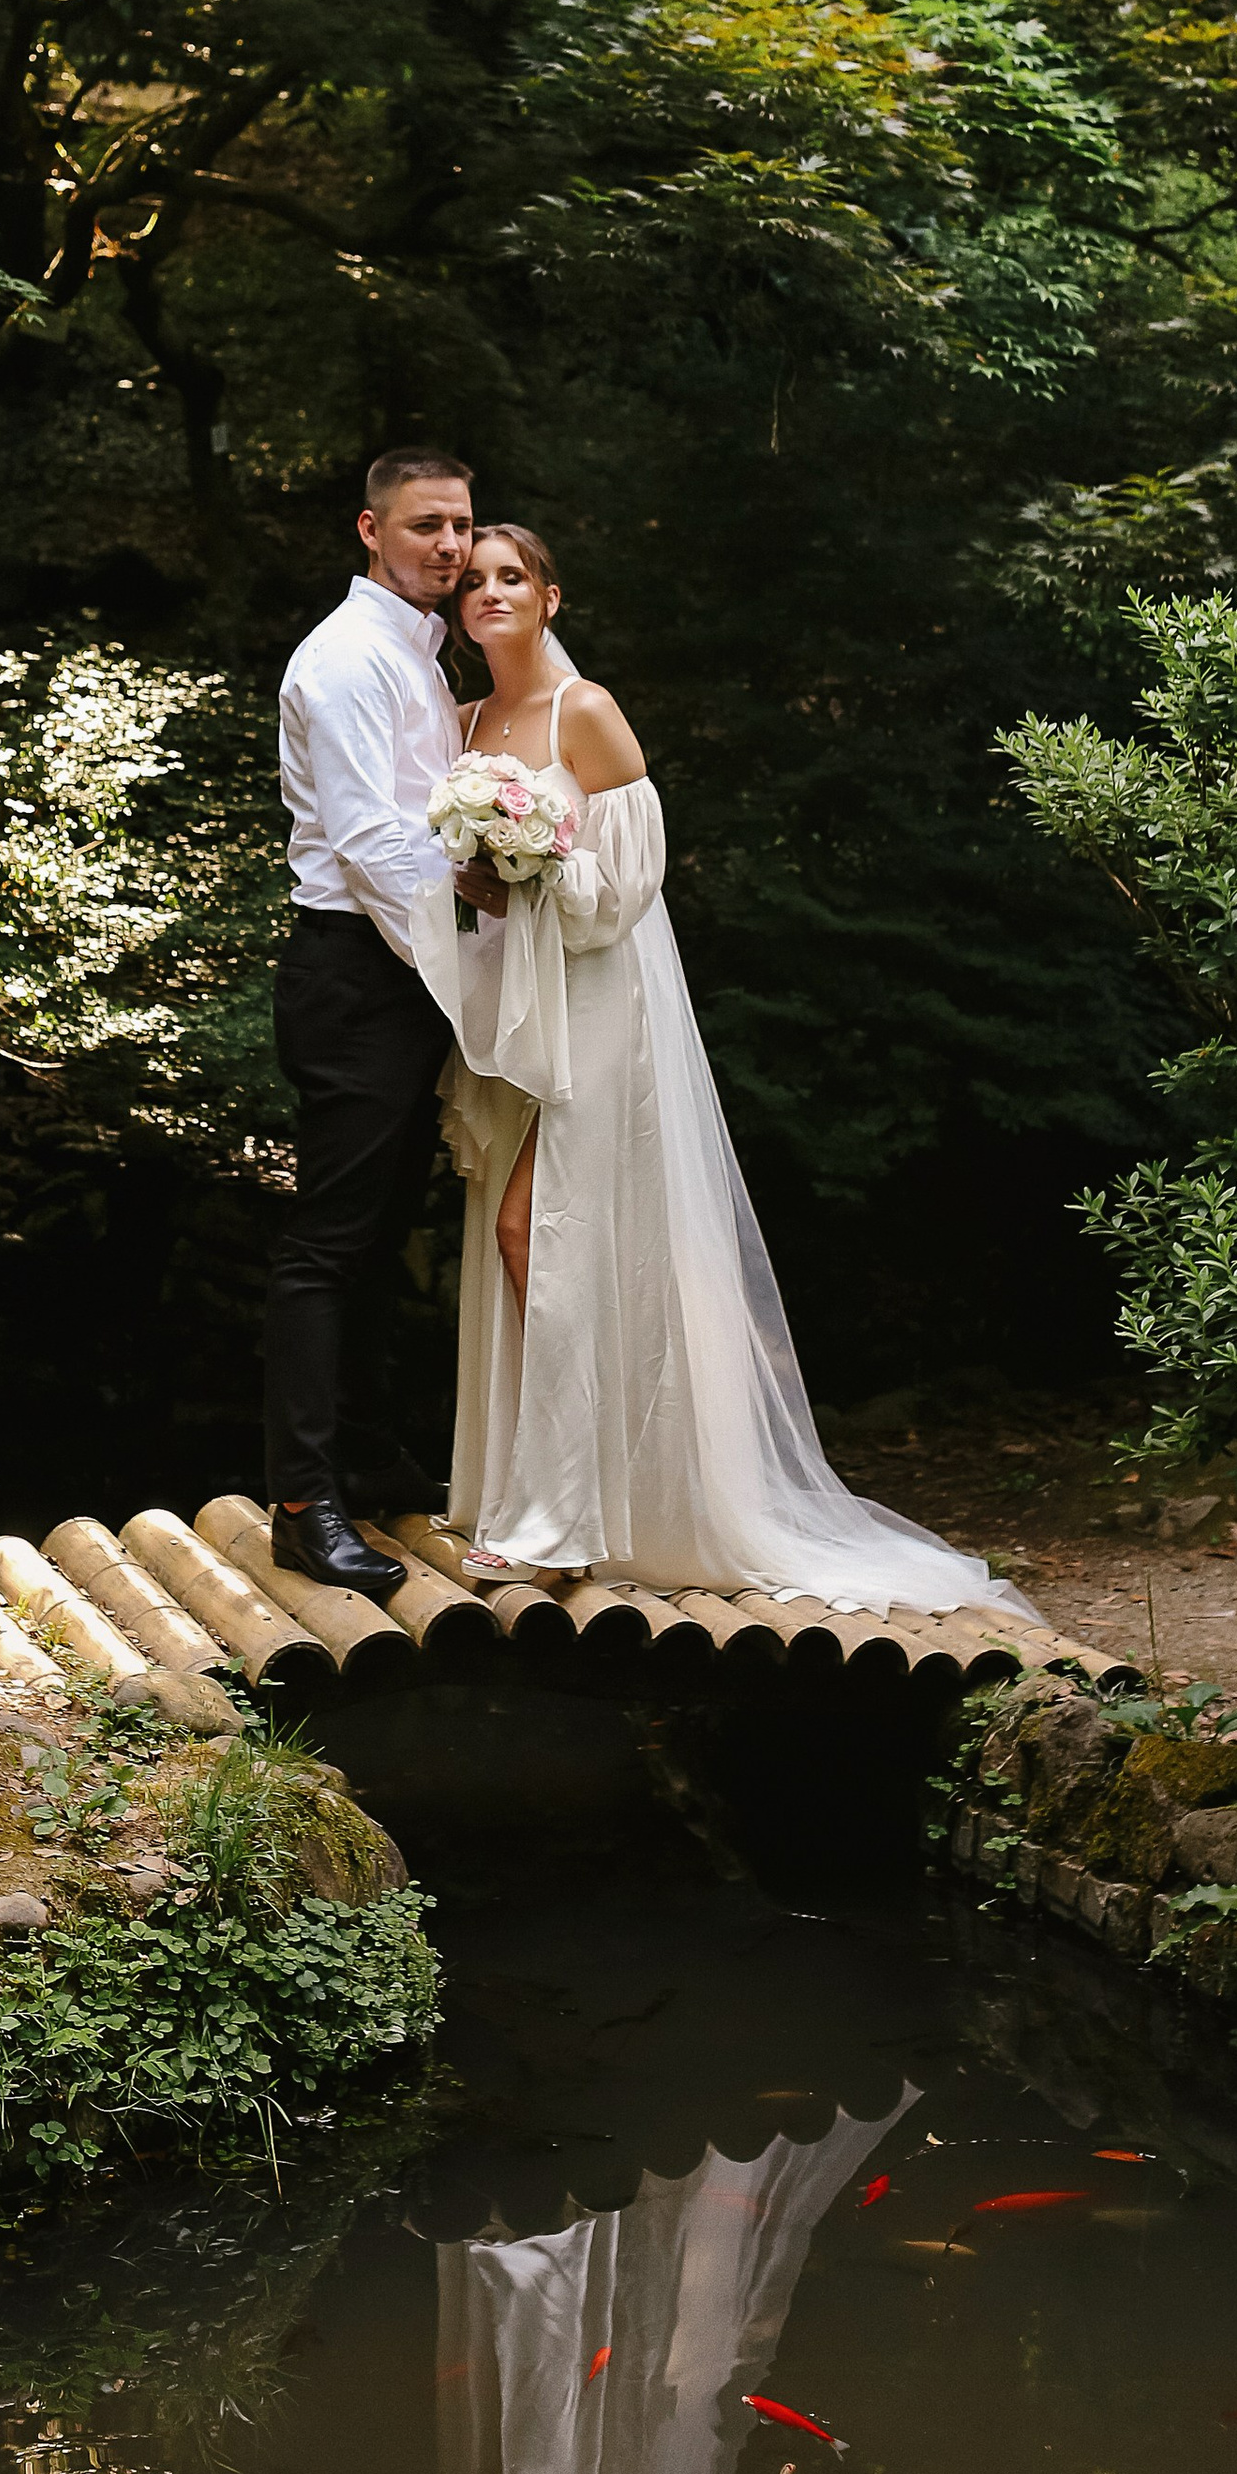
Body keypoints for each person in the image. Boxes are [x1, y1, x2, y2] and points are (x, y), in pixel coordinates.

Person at [411, 522, 1030, 1616]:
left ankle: (563, 1524)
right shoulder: (464, 722)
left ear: (551, 597)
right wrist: (483, 884)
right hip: (518, 1011)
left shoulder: (583, 711)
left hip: (599, 1006)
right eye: (475, 582)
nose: (490, 593)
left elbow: (626, 883)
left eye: (514, 578)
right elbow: (472, 889)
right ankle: (561, 1490)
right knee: (535, 1242)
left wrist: (535, 864)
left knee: (538, 1232)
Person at [267, 445, 494, 1595]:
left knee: (381, 1237)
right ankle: (304, 1506)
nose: (449, 549)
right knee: (326, 1246)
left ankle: (366, 1456)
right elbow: (370, 847)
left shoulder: (418, 652)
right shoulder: (351, 657)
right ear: (369, 531)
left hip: (398, 972)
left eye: (459, 526)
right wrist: (469, 977)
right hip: (359, 972)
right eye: (424, 528)